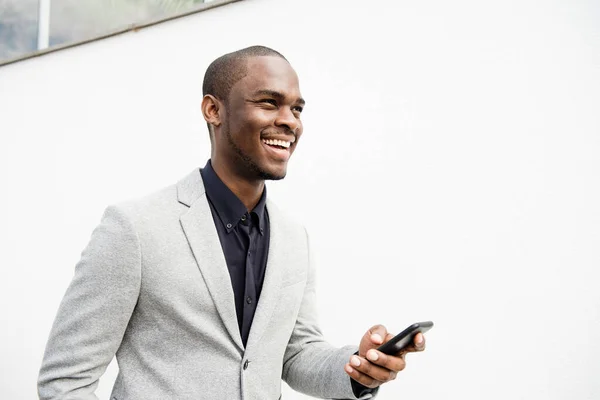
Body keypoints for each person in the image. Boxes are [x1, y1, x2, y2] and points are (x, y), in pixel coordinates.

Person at [38, 45, 427, 400]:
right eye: (269, 103)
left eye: (297, 108)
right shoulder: (134, 228)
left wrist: (359, 369)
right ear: (214, 110)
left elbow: (294, 353)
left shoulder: (294, 237)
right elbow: (65, 381)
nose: (289, 121)